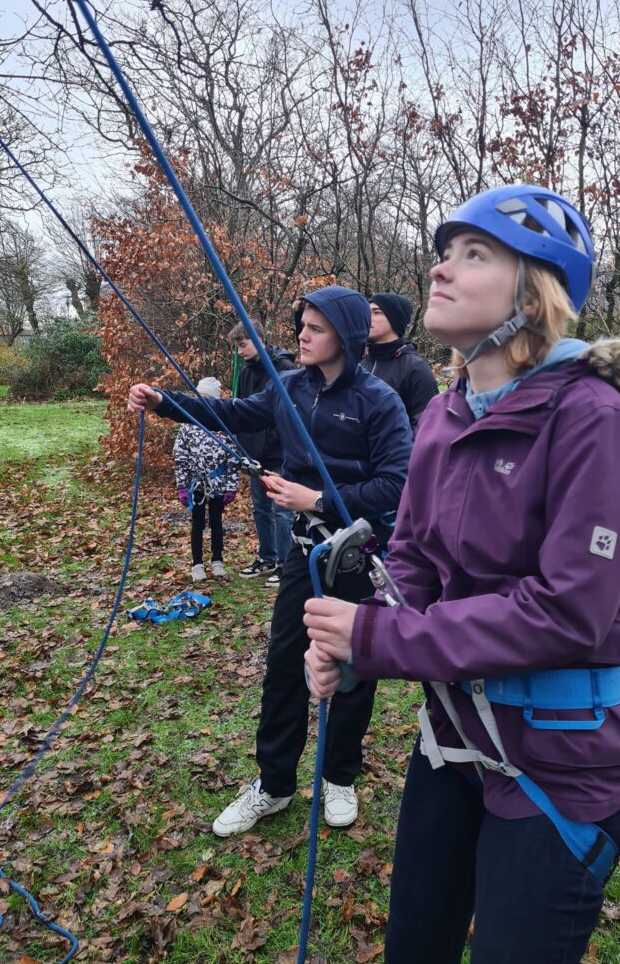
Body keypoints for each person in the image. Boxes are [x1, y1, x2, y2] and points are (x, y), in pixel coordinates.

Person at [303, 186, 620, 964]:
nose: (439, 269)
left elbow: (569, 612)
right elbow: (417, 560)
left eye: (473, 254)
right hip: (453, 739)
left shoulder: (595, 420)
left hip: (562, 767)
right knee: (413, 947)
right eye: (443, 251)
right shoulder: (446, 414)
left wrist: (383, 641)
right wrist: (355, 641)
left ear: (533, 292)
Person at [129, 286, 412, 835]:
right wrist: (165, 402)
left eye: (316, 327)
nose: (302, 334)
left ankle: (339, 776)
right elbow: (230, 411)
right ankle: (275, 783)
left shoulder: (379, 401)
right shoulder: (289, 387)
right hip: (303, 556)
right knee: (285, 665)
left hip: (355, 554)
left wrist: (319, 500)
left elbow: (397, 484)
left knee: (350, 669)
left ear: (348, 339)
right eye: (301, 324)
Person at [227, 319, 295, 587]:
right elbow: (242, 411)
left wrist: (271, 439)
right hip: (253, 454)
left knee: (281, 511)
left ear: (259, 340)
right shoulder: (245, 373)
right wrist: (242, 444)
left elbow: (289, 414)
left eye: (243, 345)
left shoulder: (283, 369)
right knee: (260, 509)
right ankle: (267, 556)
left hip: (279, 454)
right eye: (237, 346)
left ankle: (285, 563)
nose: (240, 351)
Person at [173, 377, 240, 582]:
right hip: (197, 485)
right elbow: (180, 457)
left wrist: (231, 486)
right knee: (198, 523)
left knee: (217, 522)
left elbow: (233, 458)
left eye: (207, 399)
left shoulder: (224, 427)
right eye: (200, 398)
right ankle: (197, 564)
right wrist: (183, 487)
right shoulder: (188, 427)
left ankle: (217, 560)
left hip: (219, 484)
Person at [362, 292, 438, 430]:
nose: (368, 317)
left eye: (377, 312)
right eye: (367, 312)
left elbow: (427, 428)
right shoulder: (360, 363)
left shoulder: (416, 369)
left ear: (394, 319)